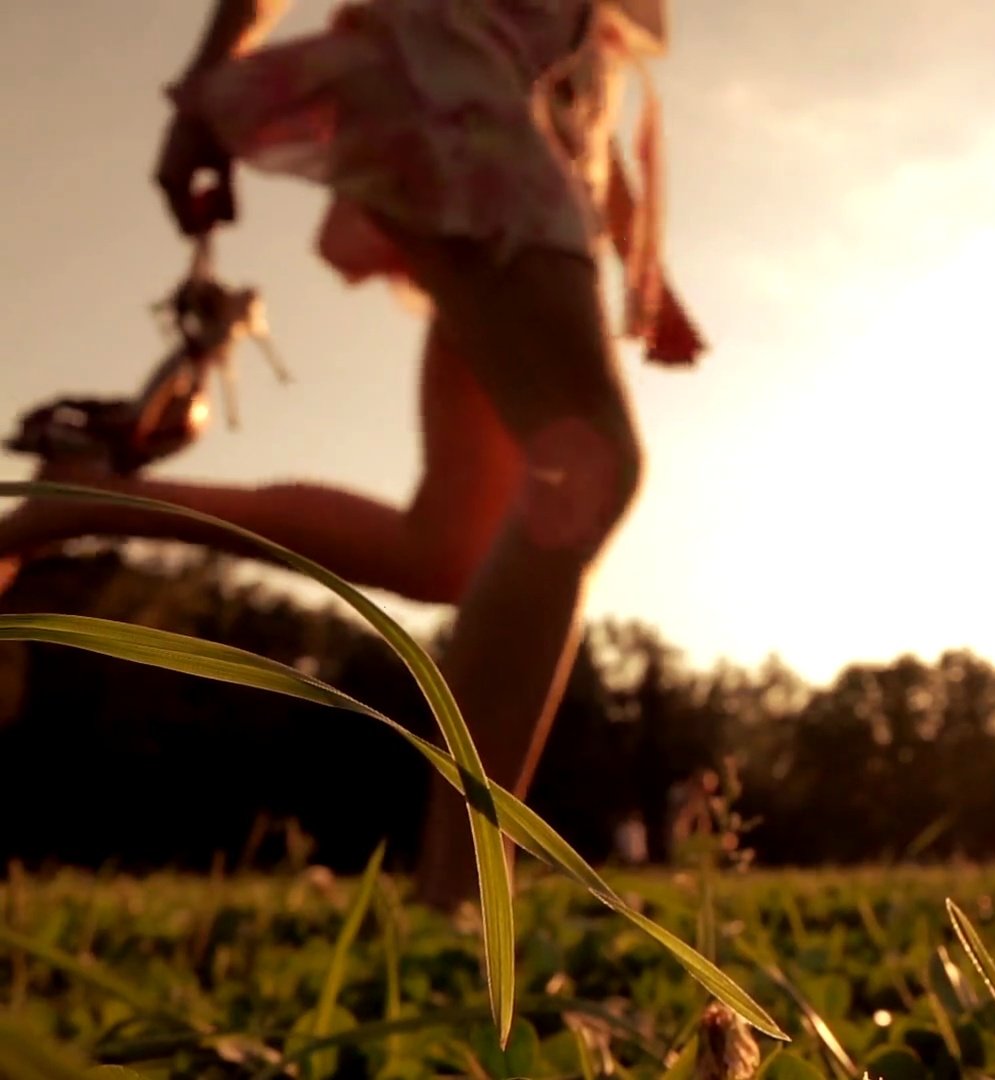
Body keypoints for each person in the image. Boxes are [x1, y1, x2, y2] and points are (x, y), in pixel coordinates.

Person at [0, 0, 703, 909]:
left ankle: (87, 499)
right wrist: (199, 104)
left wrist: (653, 270)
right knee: (590, 467)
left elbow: (578, 91)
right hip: (458, 111)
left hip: (487, 132)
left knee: (449, 549)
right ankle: (457, 900)